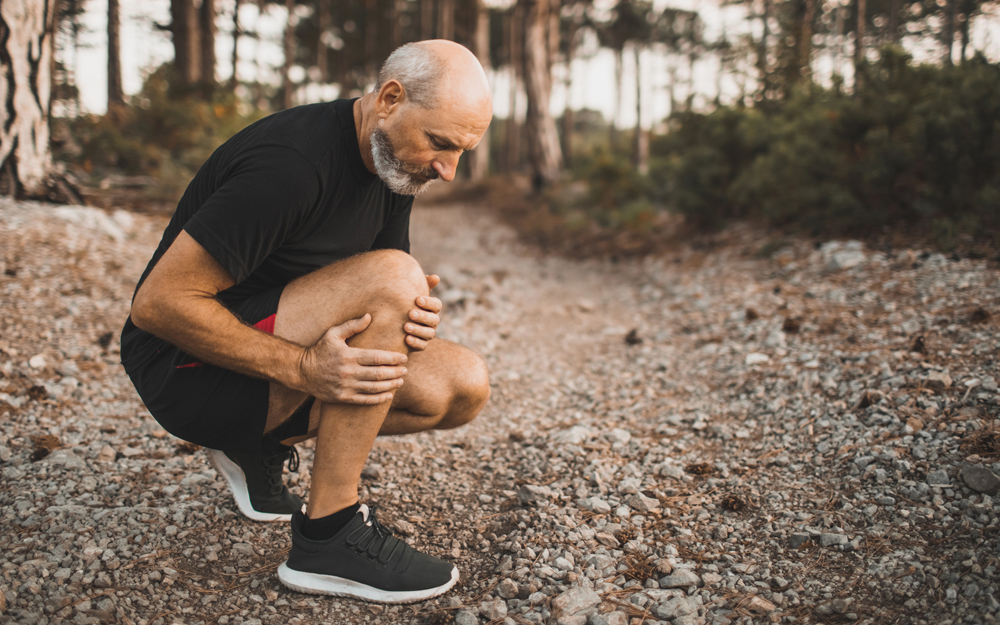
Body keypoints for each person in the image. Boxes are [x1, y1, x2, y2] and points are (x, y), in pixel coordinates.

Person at [119, 40, 493, 603]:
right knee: (394, 277)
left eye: (462, 151)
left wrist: (413, 317)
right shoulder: (291, 165)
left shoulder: (394, 163)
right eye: (441, 144)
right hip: (182, 370)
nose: (447, 169)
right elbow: (157, 304)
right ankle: (328, 536)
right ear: (390, 98)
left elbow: (375, 294)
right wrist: (302, 367)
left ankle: (254, 446)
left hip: (261, 366)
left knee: (462, 385)